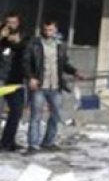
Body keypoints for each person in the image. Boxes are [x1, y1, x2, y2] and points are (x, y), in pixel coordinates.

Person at [23, 19, 83, 154]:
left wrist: (74, 71)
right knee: (36, 116)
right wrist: (31, 77)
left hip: (55, 85)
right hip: (39, 85)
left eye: (50, 29)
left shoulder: (59, 45)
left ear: (55, 30)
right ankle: (33, 145)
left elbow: (64, 64)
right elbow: (26, 63)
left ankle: (48, 142)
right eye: (45, 29)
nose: (47, 32)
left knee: (56, 115)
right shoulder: (34, 44)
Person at [0, 12, 28, 152]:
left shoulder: (23, 37)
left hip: (15, 81)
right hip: (1, 79)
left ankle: (7, 142)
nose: (10, 25)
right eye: (8, 22)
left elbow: (25, 50)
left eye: (13, 22)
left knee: (16, 112)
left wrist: (15, 41)